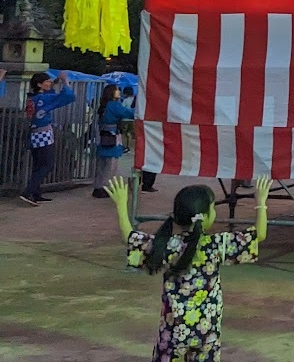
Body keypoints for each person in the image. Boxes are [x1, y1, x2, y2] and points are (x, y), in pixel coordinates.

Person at [108, 175, 268, 361]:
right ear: (204, 217)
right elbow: (259, 234)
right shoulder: (216, 245)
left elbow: (128, 237)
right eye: (213, 208)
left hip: (173, 334)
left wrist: (121, 204)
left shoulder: (166, 245)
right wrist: (261, 203)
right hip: (206, 334)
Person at [20, 71, 76, 206]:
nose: (50, 83)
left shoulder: (32, 98)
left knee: (38, 165)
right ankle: (28, 192)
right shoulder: (44, 99)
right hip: (43, 134)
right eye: (47, 81)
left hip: (33, 134)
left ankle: (36, 193)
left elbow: (50, 95)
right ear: (40, 84)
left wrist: (55, 83)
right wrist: (65, 81)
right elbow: (68, 96)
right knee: (47, 164)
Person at [92, 84, 135, 198]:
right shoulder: (115, 105)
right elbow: (129, 113)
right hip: (112, 136)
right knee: (110, 164)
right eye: (117, 90)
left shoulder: (103, 104)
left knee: (101, 164)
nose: (119, 91)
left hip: (102, 136)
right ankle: (104, 187)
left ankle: (98, 186)